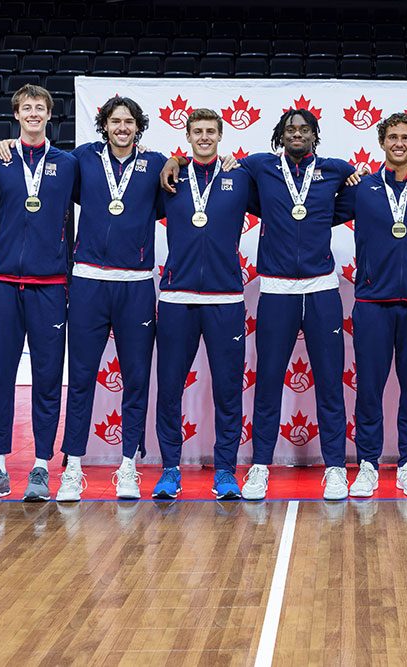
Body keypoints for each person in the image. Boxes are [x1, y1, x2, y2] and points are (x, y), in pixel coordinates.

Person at [164, 109, 356, 500]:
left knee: (331, 387)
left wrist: (346, 183)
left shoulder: (335, 170)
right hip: (276, 291)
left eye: (304, 129)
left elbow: (356, 194)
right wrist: (176, 158)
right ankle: (259, 467)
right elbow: (208, 165)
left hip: (321, 290)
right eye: (290, 129)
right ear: (279, 135)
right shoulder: (257, 168)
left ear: (315, 135)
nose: (297, 134)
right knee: (267, 384)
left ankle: (335, 467)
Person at [0, 95, 166, 500]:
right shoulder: (80, 161)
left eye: (128, 121)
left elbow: (179, 176)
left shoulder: (157, 163)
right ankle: (72, 466)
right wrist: (5, 146)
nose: (121, 127)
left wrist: (178, 160)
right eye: (114, 121)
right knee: (82, 379)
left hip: (137, 283)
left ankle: (129, 466)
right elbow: (35, 169)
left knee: (137, 379)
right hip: (87, 281)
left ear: (137, 126)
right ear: (103, 124)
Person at [0, 84, 79, 502]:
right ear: (16, 114)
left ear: (50, 115)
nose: (33, 113)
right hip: (2, 285)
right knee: (2, 376)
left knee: (49, 379)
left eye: (41, 107)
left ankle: (40, 467)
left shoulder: (68, 164)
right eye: (26, 107)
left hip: (50, 285)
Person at [151, 108, 257, 500]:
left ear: (221, 134)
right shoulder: (170, 178)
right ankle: (169, 470)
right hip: (177, 298)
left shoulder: (241, 176)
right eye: (198, 131)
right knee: (169, 389)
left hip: (226, 298)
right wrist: (171, 160)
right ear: (188, 134)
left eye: (211, 131)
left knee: (228, 389)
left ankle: (226, 470)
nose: (205, 137)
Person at [335, 112, 407, 498]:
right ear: (382, 142)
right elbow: (315, 214)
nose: (399, 143)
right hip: (372, 302)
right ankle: (367, 463)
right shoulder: (361, 188)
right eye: (392, 137)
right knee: (370, 388)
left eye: (406, 137)